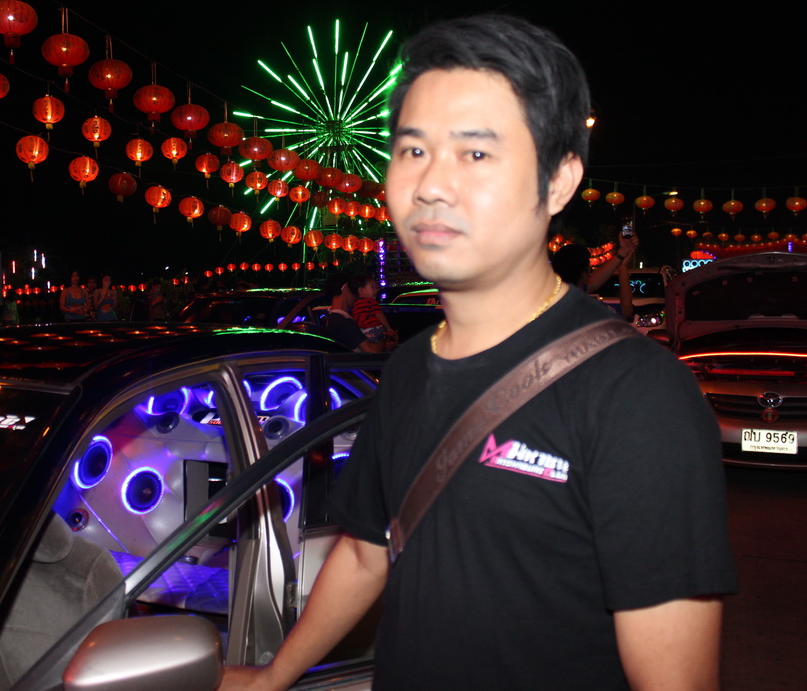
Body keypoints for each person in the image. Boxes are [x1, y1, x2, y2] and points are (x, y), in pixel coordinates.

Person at [221, 14, 735, 691]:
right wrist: (273, 676)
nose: (430, 184)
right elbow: (367, 552)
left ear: (559, 181)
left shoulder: (636, 395)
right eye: (412, 150)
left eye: (476, 154)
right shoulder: (408, 367)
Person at [320, 275, 384, 354]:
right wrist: (384, 338)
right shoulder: (342, 321)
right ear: (346, 287)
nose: (355, 293)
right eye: (352, 288)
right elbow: (371, 351)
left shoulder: (334, 318)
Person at [347, 274, 397, 347]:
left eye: (375, 287)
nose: (376, 290)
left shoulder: (355, 305)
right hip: (375, 329)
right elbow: (379, 314)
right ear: (361, 290)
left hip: (363, 333)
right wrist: (388, 328)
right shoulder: (370, 302)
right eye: (372, 287)